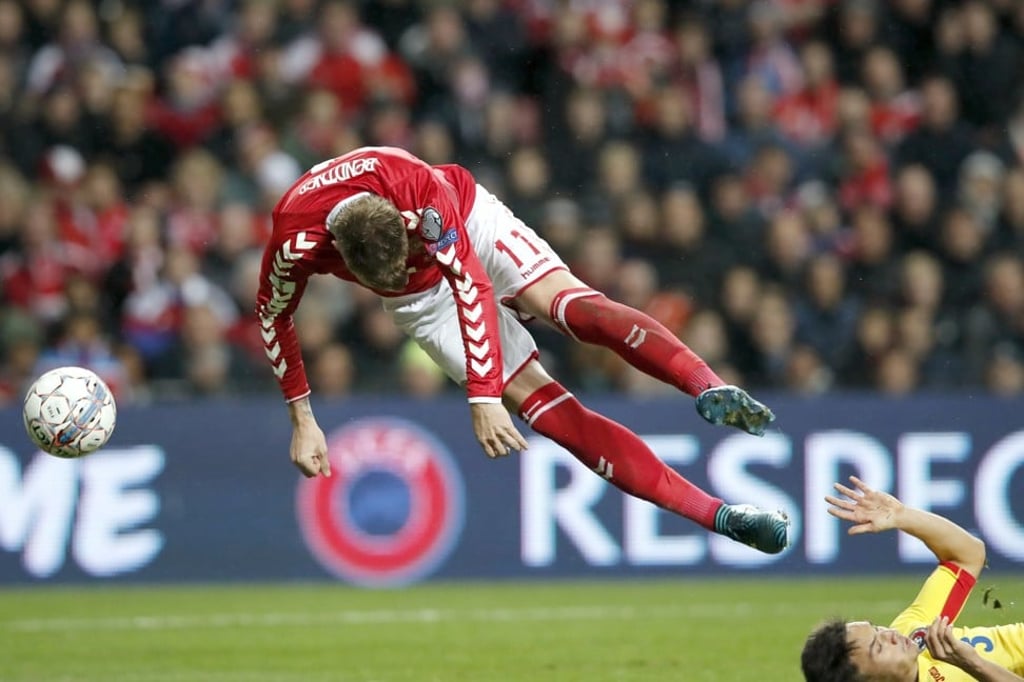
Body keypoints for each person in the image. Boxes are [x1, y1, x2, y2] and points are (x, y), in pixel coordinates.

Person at [255, 145, 788, 554]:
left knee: (573, 308)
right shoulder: (293, 242)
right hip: (417, 301)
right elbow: (273, 315)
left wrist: (483, 396)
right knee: (550, 413)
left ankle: (707, 385)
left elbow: (472, 286)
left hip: (470, 222)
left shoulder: (414, 188)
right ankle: (720, 516)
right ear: (336, 254)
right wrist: (302, 418)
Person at [801, 476, 1024, 681]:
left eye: (877, 629)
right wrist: (973, 664)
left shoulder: (910, 632)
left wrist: (902, 516)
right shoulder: (957, 661)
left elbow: (967, 556)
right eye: (879, 647)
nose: (891, 634)